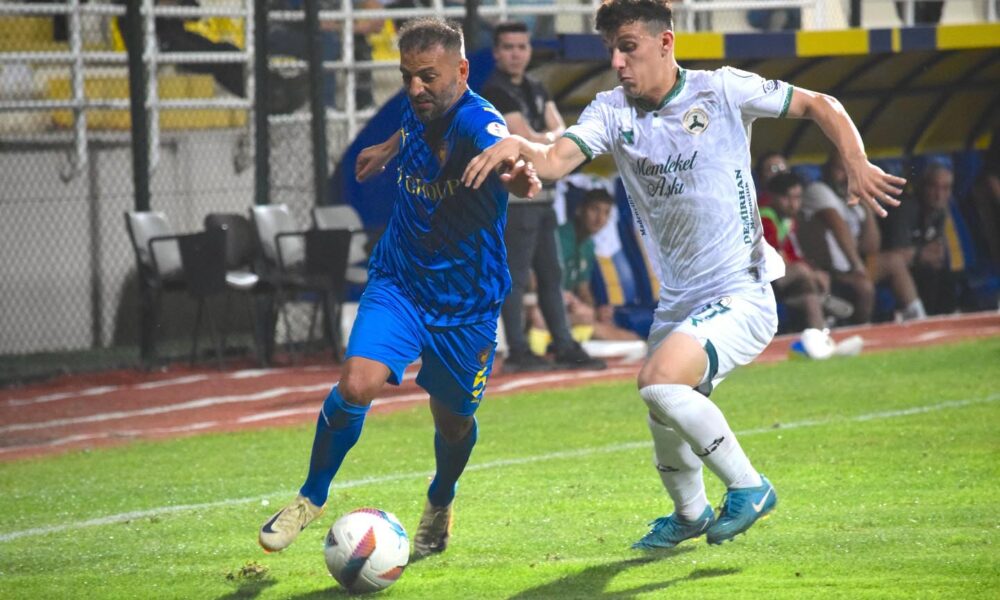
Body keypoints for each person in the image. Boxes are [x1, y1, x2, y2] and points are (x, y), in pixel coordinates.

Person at [463, 0, 904, 549]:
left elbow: (821, 103)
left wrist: (856, 160)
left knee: (659, 382)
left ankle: (749, 485)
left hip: (740, 291)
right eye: (611, 51)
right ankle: (691, 513)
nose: (618, 62)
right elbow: (554, 159)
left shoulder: (721, 89)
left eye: (628, 48)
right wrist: (519, 147)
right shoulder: (611, 110)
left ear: (665, 42)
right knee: (662, 410)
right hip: (679, 300)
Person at [258, 18, 541, 557]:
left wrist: (520, 176)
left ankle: (441, 495)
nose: (414, 87)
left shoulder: (478, 120)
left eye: (427, 76)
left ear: (462, 72)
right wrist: (388, 147)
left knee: (453, 422)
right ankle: (310, 496)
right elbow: (414, 126)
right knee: (356, 384)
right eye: (407, 75)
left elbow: (504, 152)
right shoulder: (420, 106)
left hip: (466, 302)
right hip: (400, 281)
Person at [480, 21, 606, 373]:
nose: (516, 54)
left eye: (521, 46)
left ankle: (563, 346)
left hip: (545, 197)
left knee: (552, 275)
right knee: (517, 277)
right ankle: (518, 351)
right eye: (508, 47)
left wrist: (544, 138)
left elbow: (560, 132)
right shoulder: (495, 91)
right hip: (516, 199)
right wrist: (548, 138)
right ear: (496, 52)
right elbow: (523, 138)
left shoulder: (536, 87)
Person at [801, 153, 926, 322]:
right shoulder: (818, 190)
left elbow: (871, 247)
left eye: (850, 171)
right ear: (827, 170)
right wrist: (858, 267)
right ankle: (861, 329)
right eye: (840, 170)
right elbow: (838, 226)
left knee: (894, 261)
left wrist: (867, 207)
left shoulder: (853, 200)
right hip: (830, 269)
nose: (846, 177)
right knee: (865, 287)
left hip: (850, 265)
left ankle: (918, 315)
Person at [536, 187, 642, 342]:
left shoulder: (589, 245)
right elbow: (535, 283)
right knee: (626, 339)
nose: (600, 219)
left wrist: (597, 311)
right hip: (543, 309)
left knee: (625, 335)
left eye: (606, 213)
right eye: (595, 210)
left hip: (566, 310)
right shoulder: (558, 237)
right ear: (580, 210)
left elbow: (583, 290)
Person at [761, 172, 853, 332]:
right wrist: (811, 274)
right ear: (773, 197)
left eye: (797, 198)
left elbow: (794, 254)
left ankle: (821, 319)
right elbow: (776, 259)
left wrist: (815, 273)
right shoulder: (764, 218)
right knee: (801, 270)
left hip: (784, 283)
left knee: (811, 296)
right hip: (762, 280)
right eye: (787, 198)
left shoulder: (788, 220)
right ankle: (824, 299)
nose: (793, 204)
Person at [881, 162, 963, 315]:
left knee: (949, 277)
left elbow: (936, 254)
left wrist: (922, 255)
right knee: (929, 276)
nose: (939, 195)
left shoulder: (940, 212)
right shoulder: (905, 209)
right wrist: (920, 254)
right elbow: (897, 255)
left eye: (945, 188)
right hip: (892, 271)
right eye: (934, 187)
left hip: (919, 266)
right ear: (923, 187)